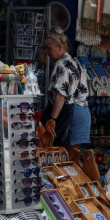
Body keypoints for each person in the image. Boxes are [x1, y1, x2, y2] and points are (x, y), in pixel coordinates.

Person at [42, 28, 91, 162]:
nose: (46, 52)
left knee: (64, 159)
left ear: (59, 47)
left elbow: (60, 95)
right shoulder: (75, 62)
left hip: (70, 114)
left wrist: (52, 119)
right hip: (82, 112)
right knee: (73, 159)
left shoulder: (61, 64)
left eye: (48, 48)